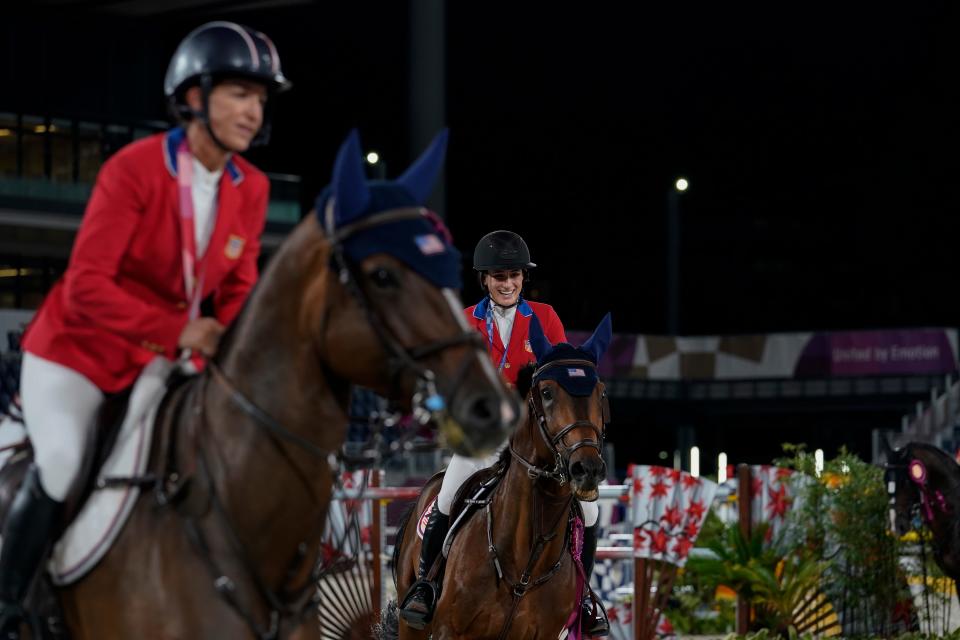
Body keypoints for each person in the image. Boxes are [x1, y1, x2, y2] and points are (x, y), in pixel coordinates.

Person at [0, 21, 290, 635]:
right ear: (192, 97)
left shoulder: (252, 187)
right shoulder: (133, 169)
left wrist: (231, 346)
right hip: (76, 352)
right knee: (62, 458)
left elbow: (237, 287)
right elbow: (85, 286)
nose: (253, 108)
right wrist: (180, 332)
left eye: (260, 97)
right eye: (239, 92)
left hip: (159, 357)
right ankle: (9, 603)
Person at [400, 230, 609, 636]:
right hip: (485, 435)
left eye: (514, 275)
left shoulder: (545, 318)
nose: (507, 283)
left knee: (592, 509)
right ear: (485, 279)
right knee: (446, 495)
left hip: (535, 438)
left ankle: (585, 599)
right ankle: (425, 585)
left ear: (522, 278)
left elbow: (560, 379)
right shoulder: (465, 322)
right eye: (499, 276)